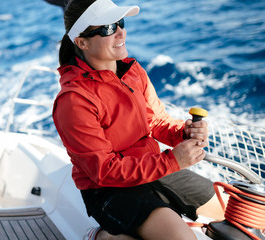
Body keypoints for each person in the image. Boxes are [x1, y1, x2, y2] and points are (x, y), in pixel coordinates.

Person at [52, 0, 224, 239]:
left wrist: (183, 133)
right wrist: (172, 161)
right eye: (108, 28)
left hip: (151, 168)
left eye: (119, 23)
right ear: (81, 42)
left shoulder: (133, 72)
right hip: (108, 190)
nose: (121, 32)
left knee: (236, 213)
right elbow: (104, 171)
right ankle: (103, 236)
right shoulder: (73, 100)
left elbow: (155, 121)